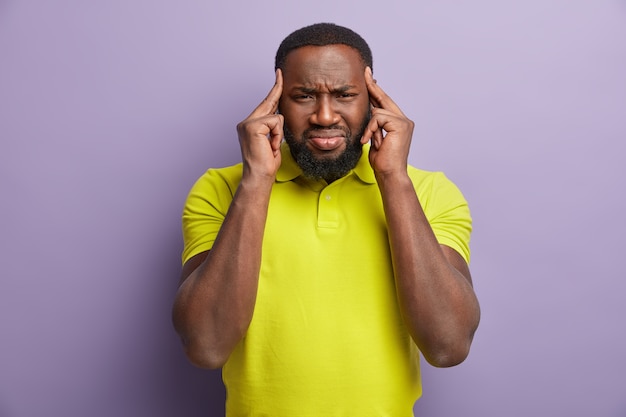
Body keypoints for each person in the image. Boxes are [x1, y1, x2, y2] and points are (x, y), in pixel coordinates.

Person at [172, 22, 480, 416]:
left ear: (372, 100)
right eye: (303, 96)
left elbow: (449, 345)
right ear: (278, 102)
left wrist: (393, 179)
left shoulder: (430, 192)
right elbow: (205, 345)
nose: (323, 115)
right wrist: (256, 181)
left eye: (344, 95)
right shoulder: (221, 189)